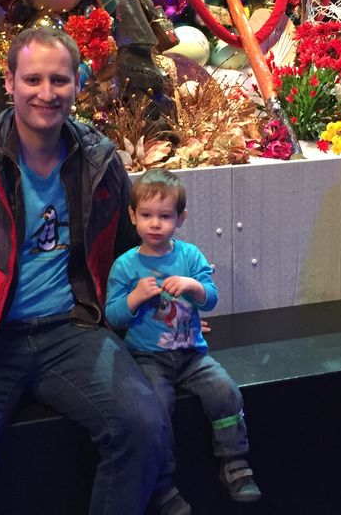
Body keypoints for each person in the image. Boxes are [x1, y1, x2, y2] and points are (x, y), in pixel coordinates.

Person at [0, 26, 183, 515]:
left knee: (143, 425)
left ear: (77, 84)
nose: (46, 93)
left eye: (59, 80)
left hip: (72, 331)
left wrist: (170, 308)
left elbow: (128, 256)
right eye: (33, 79)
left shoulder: (98, 161)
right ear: (9, 82)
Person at [105, 168, 261, 505]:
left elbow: (211, 298)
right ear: (132, 216)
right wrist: (134, 298)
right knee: (156, 409)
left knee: (225, 391)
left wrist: (193, 286)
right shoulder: (125, 266)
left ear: (180, 218)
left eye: (165, 216)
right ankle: (162, 484)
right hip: (148, 358)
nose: (155, 224)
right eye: (146, 215)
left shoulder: (190, 257)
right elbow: (112, 316)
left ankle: (234, 462)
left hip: (192, 355)